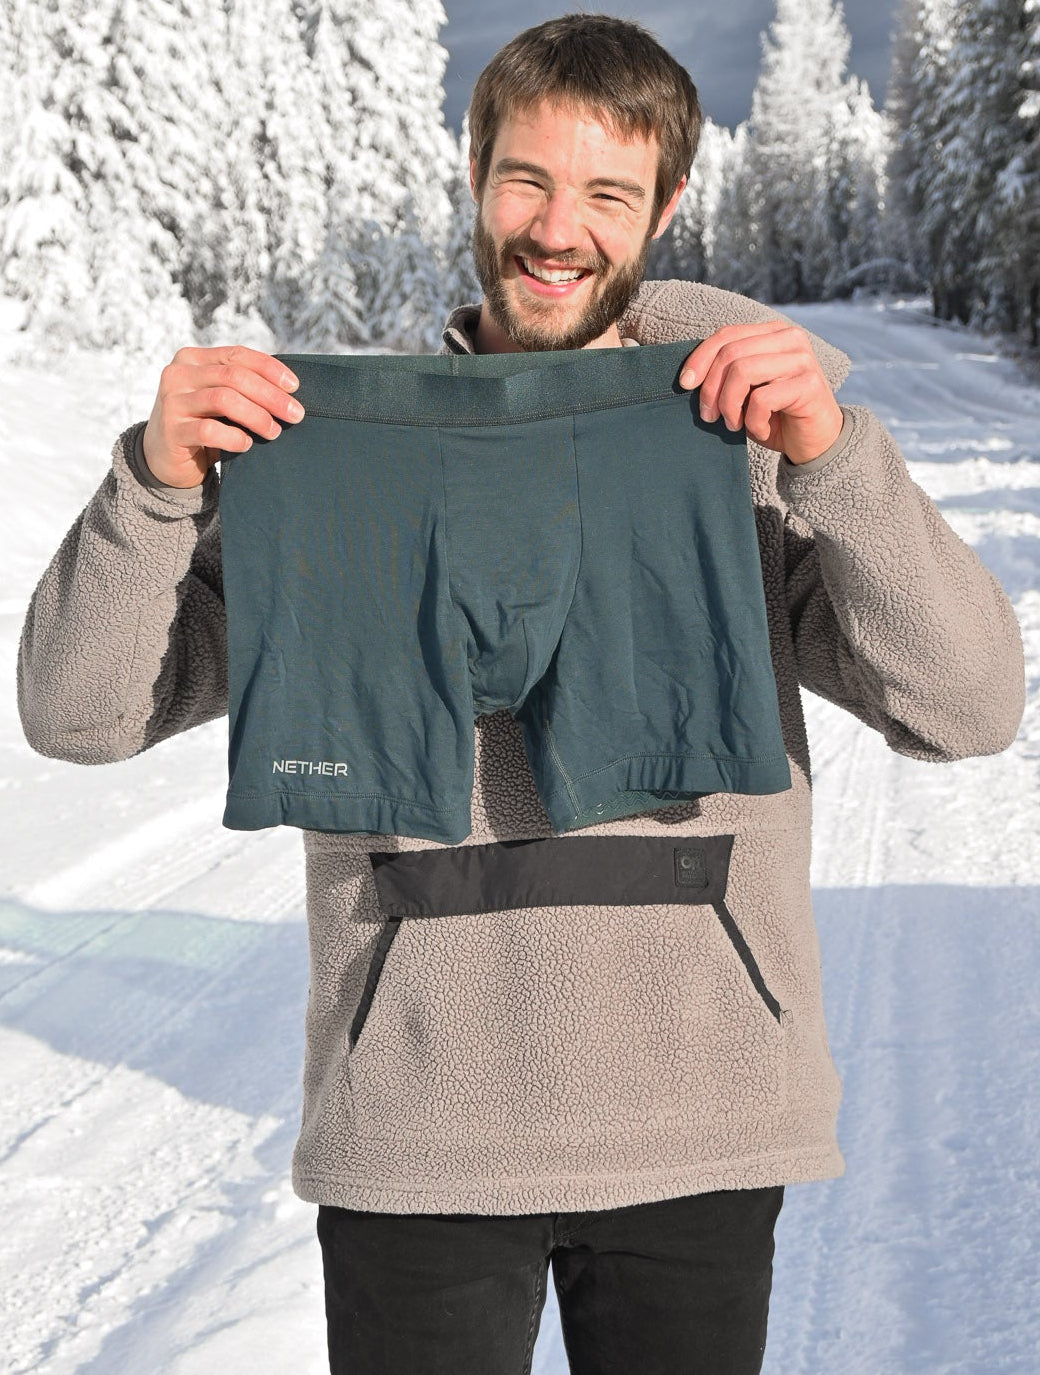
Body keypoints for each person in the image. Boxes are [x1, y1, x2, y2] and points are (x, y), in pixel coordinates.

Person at [17, 14, 1025, 1375]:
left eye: (607, 192)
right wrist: (151, 480)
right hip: (416, 1139)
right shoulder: (337, 459)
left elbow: (967, 707)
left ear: (665, 208)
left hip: (701, 1126)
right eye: (528, 181)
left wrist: (837, 462)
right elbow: (79, 714)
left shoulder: (746, 461)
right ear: (476, 178)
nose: (560, 229)